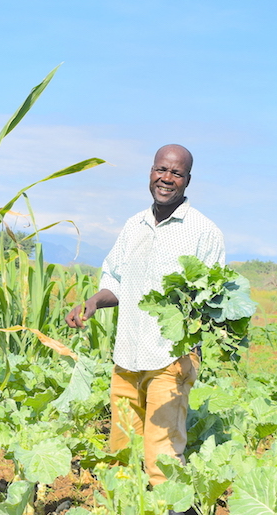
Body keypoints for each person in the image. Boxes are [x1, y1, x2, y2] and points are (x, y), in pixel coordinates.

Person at [66, 144, 225, 499]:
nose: (166, 179)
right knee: (120, 450)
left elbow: (213, 298)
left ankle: (174, 507)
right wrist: (92, 303)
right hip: (127, 354)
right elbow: (115, 282)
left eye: (176, 173)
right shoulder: (133, 225)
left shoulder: (203, 231)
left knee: (161, 454)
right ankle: (123, 506)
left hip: (171, 357)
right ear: (151, 172)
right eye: (161, 170)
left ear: (187, 180)